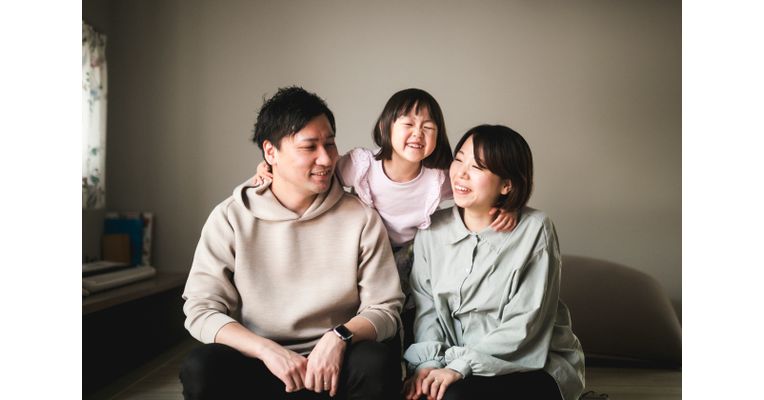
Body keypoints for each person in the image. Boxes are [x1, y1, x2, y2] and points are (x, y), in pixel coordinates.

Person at [179, 86, 405, 400]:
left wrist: (339, 337)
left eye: (330, 144)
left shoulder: (361, 217)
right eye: (309, 146)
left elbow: (385, 308)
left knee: (377, 363)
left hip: (333, 365)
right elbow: (201, 309)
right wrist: (265, 350)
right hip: (260, 362)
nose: (326, 158)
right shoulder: (230, 217)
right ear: (271, 152)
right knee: (201, 367)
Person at [252, 88, 517, 347]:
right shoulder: (363, 165)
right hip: (362, 250)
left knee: (410, 311)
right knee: (359, 307)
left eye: (428, 127)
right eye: (408, 124)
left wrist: (507, 206)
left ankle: (412, 354)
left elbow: (476, 191)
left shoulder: (437, 178)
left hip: (409, 256)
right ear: (385, 127)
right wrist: (271, 167)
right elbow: (319, 173)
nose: (418, 133)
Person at [403, 125, 585, 400]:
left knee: (454, 396)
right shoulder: (432, 230)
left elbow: (525, 324)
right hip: (453, 365)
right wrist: (428, 365)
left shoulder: (535, 228)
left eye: (477, 167)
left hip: (529, 364)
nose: (461, 173)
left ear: (506, 184)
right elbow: (427, 310)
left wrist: (460, 367)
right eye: (459, 160)